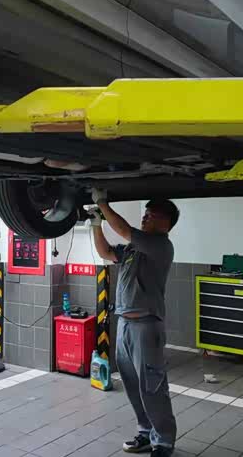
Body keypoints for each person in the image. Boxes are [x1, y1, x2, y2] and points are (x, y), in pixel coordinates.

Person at [90, 188, 179, 456]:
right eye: (145, 213)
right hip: (125, 325)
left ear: (165, 224)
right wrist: (96, 224)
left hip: (146, 327)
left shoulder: (161, 246)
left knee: (152, 386)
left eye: (151, 215)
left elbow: (124, 230)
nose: (145, 217)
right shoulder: (133, 248)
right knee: (132, 385)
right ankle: (146, 432)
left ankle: (164, 441)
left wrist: (102, 203)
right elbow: (106, 251)